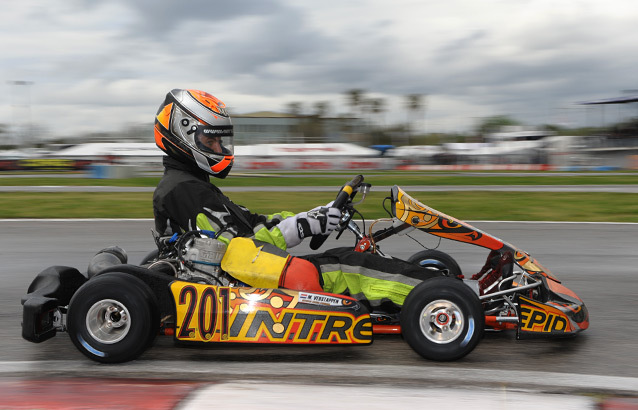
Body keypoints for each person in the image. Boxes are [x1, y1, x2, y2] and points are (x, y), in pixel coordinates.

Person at [152, 89, 439, 312]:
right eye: (211, 142)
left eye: (219, 141)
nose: (219, 148)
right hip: (247, 280)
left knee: (344, 257)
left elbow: (251, 225)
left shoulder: (191, 186)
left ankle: (435, 284)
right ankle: (440, 296)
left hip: (257, 271)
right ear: (184, 135)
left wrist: (315, 216)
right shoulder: (183, 191)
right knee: (352, 267)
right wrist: (299, 228)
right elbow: (239, 249)